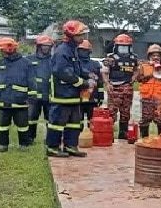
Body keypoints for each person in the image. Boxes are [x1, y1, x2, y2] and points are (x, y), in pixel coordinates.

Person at [47, 20, 95, 157]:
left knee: (74, 123)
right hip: (62, 95)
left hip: (73, 95)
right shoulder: (62, 51)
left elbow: (76, 68)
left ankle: (71, 146)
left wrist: (88, 74)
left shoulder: (72, 49)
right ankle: (52, 148)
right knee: (57, 123)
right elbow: (63, 72)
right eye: (80, 35)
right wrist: (84, 83)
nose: (83, 37)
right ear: (71, 35)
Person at [0, 37, 36, 152]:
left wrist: (31, 98)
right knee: (2, 125)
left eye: (2, 50)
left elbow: (32, 82)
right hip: (3, 101)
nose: (1, 52)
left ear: (9, 49)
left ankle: (24, 145)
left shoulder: (26, 63)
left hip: (20, 102)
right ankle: (2, 145)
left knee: (23, 126)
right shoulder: (1, 63)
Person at [104, 33, 138, 140]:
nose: (124, 49)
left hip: (127, 88)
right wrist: (107, 83)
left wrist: (134, 77)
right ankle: (108, 135)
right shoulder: (111, 58)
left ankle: (123, 134)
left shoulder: (134, 58)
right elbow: (104, 72)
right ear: (116, 47)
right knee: (111, 112)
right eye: (121, 46)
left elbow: (137, 69)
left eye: (126, 47)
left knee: (125, 112)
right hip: (114, 88)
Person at [137, 44, 161, 137]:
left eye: (158, 55)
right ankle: (144, 140)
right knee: (145, 120)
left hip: (160, 98)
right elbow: (139, 79)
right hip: (147, 97)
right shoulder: (144, 66)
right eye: (153, 55)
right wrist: (151, 73)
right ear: (149, 56)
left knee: (160, 120)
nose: (156, 57)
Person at [26, 35, 54, 143]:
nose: (46, 48)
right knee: (31, 118)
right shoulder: (29, 60)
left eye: (48, 46)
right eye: (44, 46)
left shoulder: (53, 60)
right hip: (33, 95)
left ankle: (50, 139)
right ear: (38, 46)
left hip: (49, 95)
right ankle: (30, 138)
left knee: (50, 119)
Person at [77, 39, 103, 123]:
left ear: (89, 51)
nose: (82, 52)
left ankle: (91, 135)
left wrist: (100, 96)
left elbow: (100, 82)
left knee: (92, 122)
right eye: (80, 50)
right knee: (77, 123)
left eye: (85, 50)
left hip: (92, 99)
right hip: (77, 99)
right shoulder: (74, 64)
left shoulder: (95, 64)